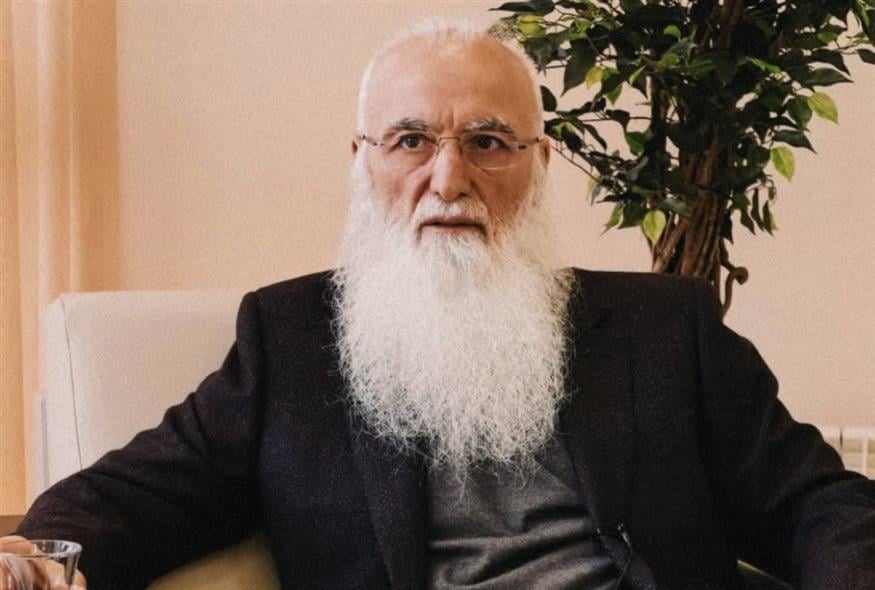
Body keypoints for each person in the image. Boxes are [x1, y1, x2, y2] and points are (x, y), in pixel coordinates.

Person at [5, 19, 875, 590]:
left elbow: (819, 504)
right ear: (361, 161)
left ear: (537, 164)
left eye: (488, 141)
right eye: (410, 140)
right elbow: (134, 496)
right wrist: (37, 560)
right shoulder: (287, 337)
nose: (448, 178)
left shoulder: (666, 326)